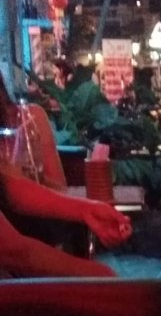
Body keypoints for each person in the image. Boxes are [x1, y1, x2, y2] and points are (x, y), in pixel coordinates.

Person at [0, 72, 132, 250]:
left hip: (39, 233)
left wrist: (88, 210)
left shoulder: (29, 117)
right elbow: (16, 252)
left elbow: (13, 189)